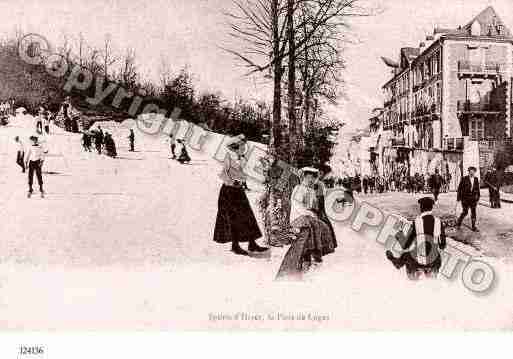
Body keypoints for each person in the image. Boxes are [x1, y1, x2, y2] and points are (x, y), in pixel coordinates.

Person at [213, 134, 267, 255]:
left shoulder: (241, 158)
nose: (244, 148)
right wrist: (233, 181)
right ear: (236, 146)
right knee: (233, 218)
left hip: (238, 190)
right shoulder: (229, 157)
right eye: (242, 146)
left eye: (244, 146)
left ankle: (252, 243)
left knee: (247, 215)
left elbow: (245, 173)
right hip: (228, 191)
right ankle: (235, 245)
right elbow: (223, 174)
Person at [386, 197, 447, 279]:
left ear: (421, 208)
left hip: (417, 260)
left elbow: (406, 245)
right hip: (434, 261)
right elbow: (442, 246)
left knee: (406, 255)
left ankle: (396, 262)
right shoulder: (439, 222)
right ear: (431, 208)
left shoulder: (417, 222)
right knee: (436, 259)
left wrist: (399, 233)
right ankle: (432, 280)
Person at [287, 167, 336, 267]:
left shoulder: (312, 191)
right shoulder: (298, 188)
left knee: (323, 226)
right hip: (298, 217)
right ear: (303, 178)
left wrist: (314, 211)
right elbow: (297, 205)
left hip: (309, 216)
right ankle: (307, 256)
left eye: (313, 179)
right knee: (311, 225)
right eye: (308, 178)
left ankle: (317, 252)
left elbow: (314, 207)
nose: (311, 181)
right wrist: (309, 213)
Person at [456, 166, 480, 232]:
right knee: (465, 212)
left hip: (473, 199)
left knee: (473, 213)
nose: (472, 173)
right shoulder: (464, 179)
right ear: (469, 172)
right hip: (465, 199)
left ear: (475, 172)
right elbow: (459, 189)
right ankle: (458, 223)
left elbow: (477, 189)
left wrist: (478, 198)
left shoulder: (476, 179)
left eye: (473, 171)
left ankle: (473, 227)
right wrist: (458, 198)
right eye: (470, 171)